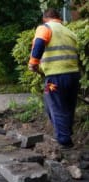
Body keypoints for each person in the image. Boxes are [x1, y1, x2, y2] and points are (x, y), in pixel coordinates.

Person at [28, 8, 80, 149]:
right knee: (68, 107)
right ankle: (66, 134)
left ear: (45, 18)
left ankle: (64, 141)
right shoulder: (69, 32)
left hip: (55, 77)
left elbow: (39, 44)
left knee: (55, 107)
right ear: (59, 18)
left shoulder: (45, 28)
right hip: (73, 76)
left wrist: (33, 64)